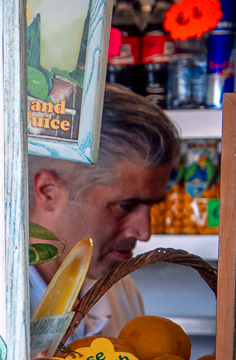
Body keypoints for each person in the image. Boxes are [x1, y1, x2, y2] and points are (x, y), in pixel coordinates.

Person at [29, 83, 181, 338]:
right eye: (125, 206)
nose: (145, 232)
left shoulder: (120, 291)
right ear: (48, 191)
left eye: (151, 206)